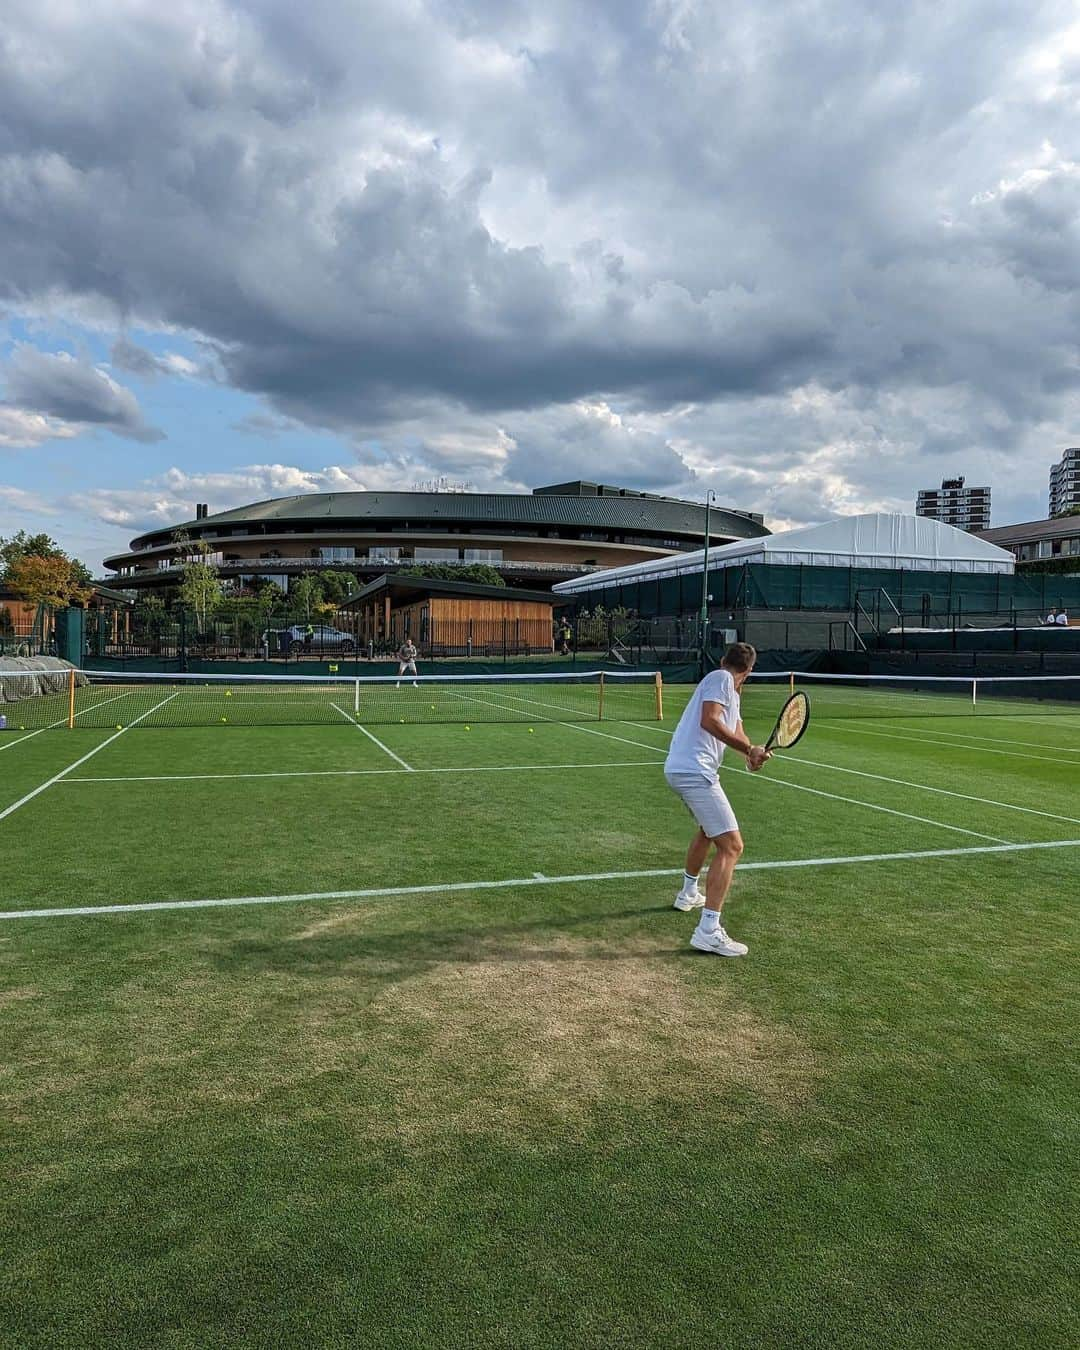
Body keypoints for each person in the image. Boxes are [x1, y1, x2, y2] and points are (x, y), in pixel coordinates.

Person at [664, 642, 770, 957]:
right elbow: (709, 721)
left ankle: (688, 893)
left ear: (725, 659)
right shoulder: (721, 678)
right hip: (694, 771)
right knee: (732, 846)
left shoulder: (732, 694)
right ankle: (708, 929)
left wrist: (751, 756)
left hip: (686, 769)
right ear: (749, 671)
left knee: (708, 831)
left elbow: (737, 735)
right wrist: (747, 749)